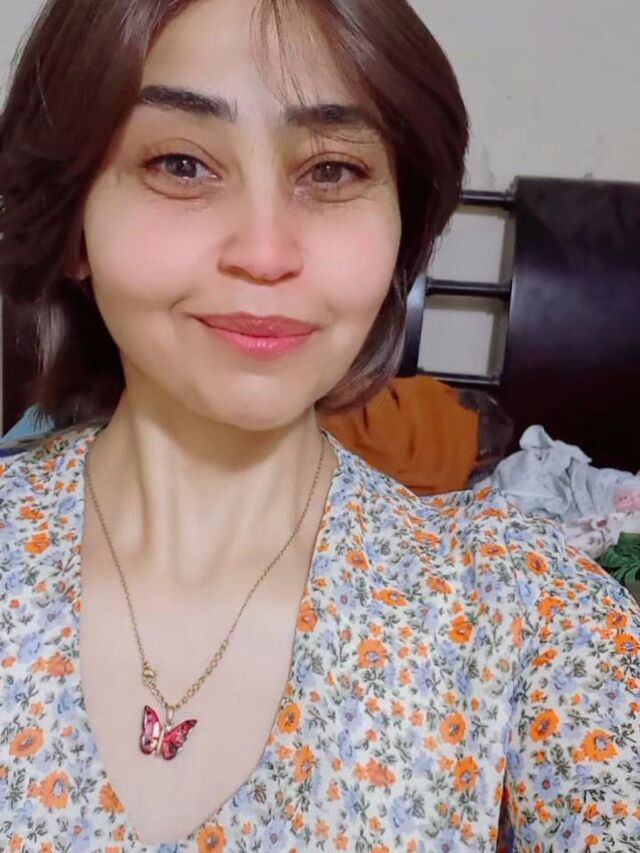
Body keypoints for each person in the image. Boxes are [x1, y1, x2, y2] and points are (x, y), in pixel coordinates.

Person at [0, 0, 638, 850]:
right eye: (181, 164)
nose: (265, 254)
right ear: (74, 219)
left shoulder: (526, 612)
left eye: (332, 171)